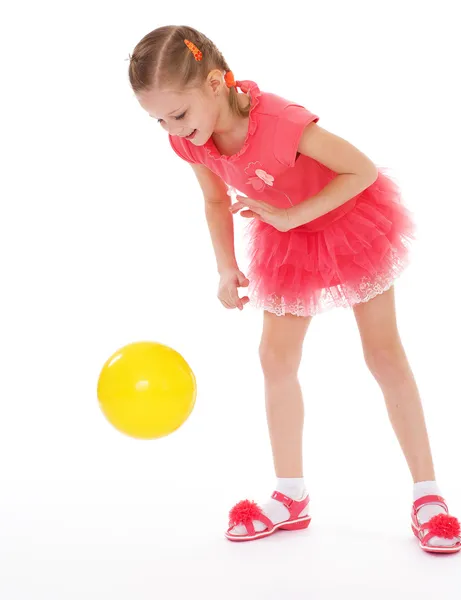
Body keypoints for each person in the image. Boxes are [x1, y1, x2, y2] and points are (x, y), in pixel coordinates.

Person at [128, 25, 460, 552]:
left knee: (383, 354)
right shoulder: (188, 143)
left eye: (179, 113)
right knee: (275, 359)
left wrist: (293, 216)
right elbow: (216, 202)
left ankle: (429, 495)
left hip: (349, 224)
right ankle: (290, 496)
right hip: (290, 240)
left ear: (215, 83)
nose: (172, 128)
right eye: (159, 120)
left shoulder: (281, 123)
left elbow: (361, 170)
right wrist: (225, 267)